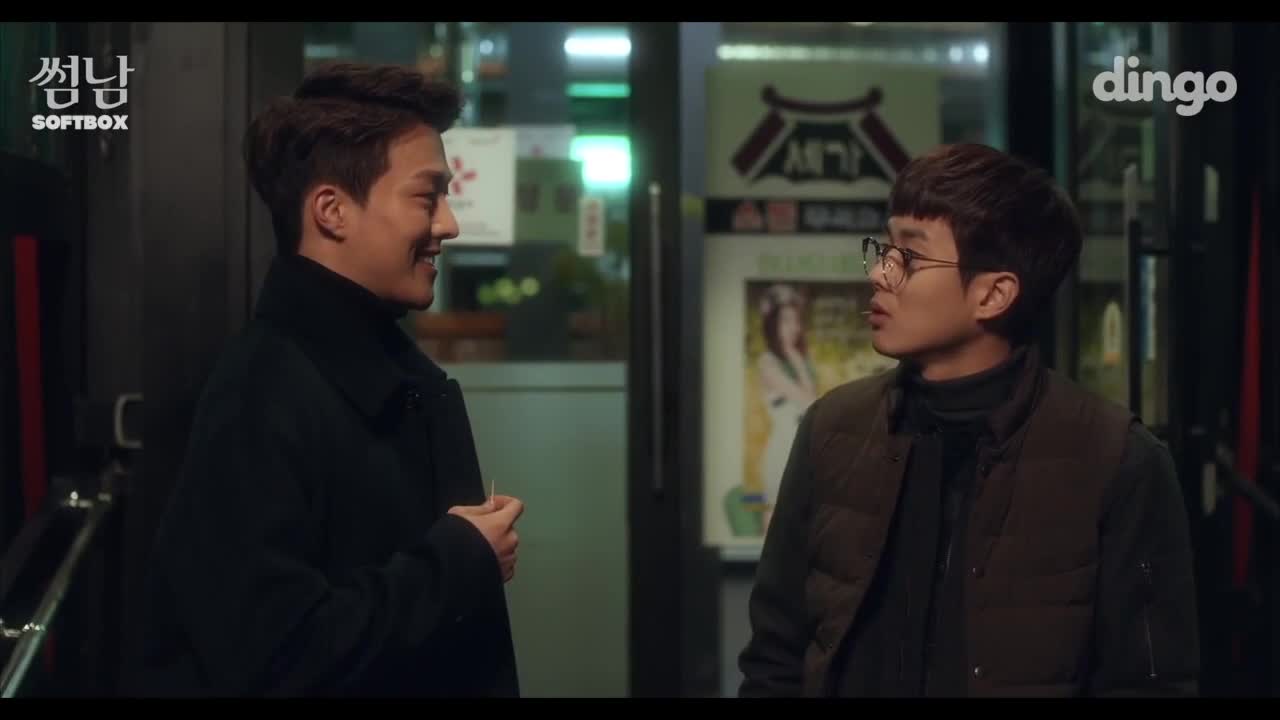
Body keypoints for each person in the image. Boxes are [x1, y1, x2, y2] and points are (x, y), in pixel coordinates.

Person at [738, 143, 1199, 697]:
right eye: (885, 247)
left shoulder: (1116, 458)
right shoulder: (833, 427)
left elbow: (1149, 681)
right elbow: (775, 657)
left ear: (994, 294)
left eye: (910, 256)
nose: (880, 273)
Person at [132, 62, 523, 697]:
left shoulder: (386, 370)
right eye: (427, 197)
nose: (448, 224)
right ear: (332, 210)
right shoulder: (262, 393)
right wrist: (459, 561)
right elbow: (275, 653)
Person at [755, 284, 817, 531]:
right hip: (781, 452)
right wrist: (794, 356)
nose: (793, 327)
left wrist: (795, 356)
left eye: (796, 321)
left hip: (801, 451)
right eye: (785, 321)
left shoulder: (799, 362)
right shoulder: (767, 364)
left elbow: (812, 403)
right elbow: (809, 403)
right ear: (773, 325)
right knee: (775, 521)